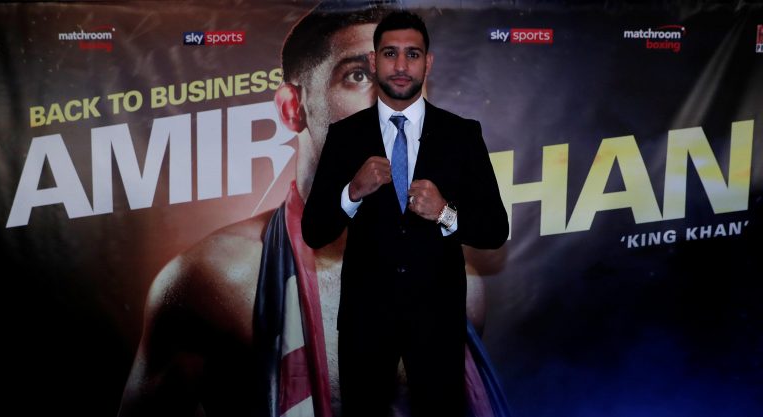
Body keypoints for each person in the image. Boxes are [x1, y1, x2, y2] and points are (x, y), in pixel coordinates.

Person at [118, 4, 508, 417]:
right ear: (293, 107)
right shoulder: (219, 280)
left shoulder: (464, 286)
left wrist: (445, 214)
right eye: (359, 75)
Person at [301, 10, 509, 417]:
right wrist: (352, 192)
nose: (400, 65)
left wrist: (445, 212)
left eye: (412, 54)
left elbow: (494, 229)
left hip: (437, 322)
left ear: (427, 63)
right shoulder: (345, 137)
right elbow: (314, 230)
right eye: (390, 53)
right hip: (366, 322)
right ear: (374, 60)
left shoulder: (461, 134)